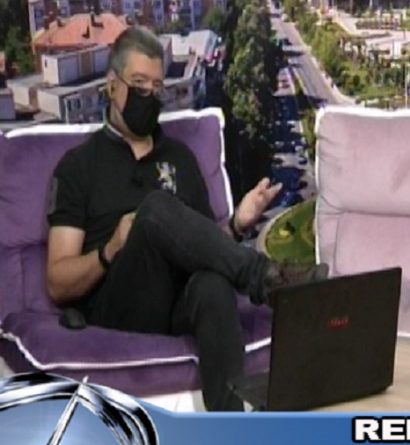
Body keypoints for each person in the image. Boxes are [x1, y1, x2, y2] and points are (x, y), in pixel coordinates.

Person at [45, 27, 327, 411]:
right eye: (138, 85)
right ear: (112, 86)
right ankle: (269, 279)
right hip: (117, 307)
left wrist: (237, 225)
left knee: (212, 284)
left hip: (177, 302)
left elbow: (201, 243)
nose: (149, 96)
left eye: (156, 87)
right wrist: (110, 249)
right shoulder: (78, 166)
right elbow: (58, 283)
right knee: (155, 208)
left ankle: (230, 428)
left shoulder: (180, 158)